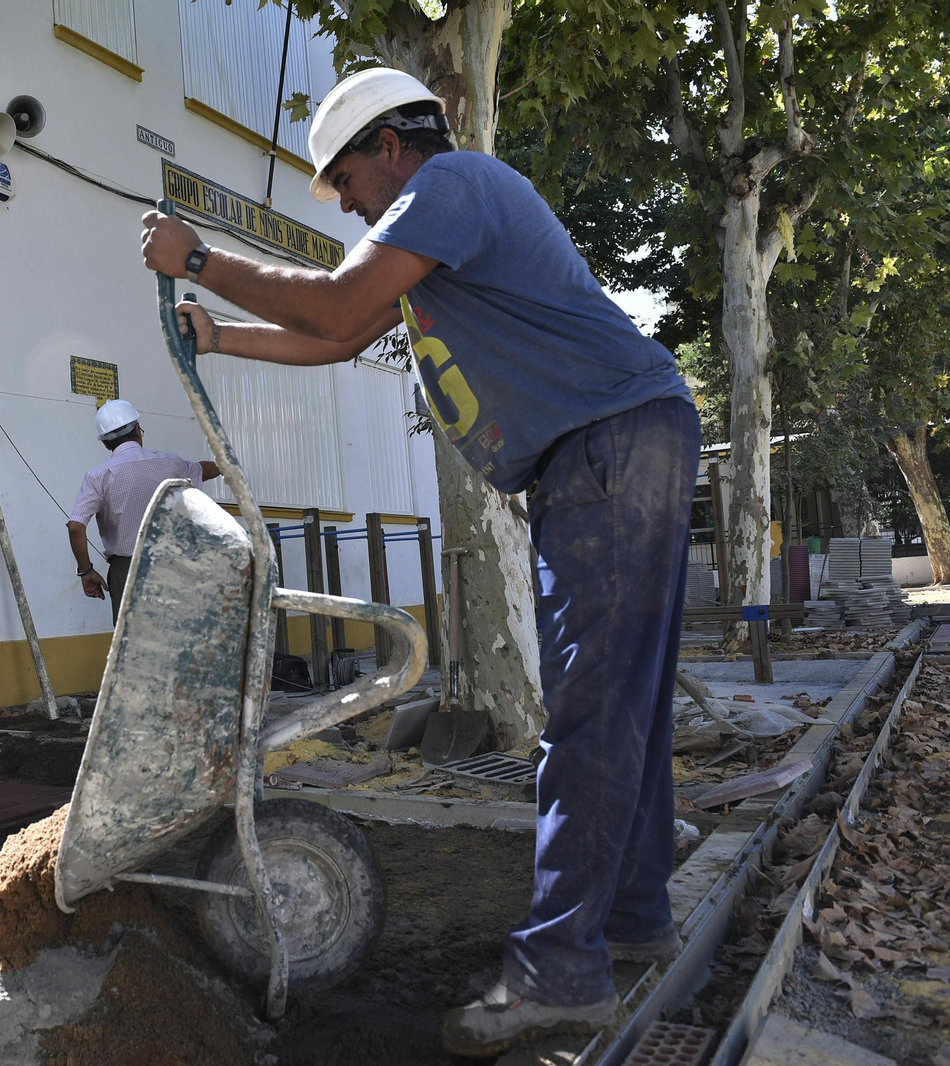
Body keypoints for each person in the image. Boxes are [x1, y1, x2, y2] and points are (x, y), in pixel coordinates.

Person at [139, 67, 700, 1056]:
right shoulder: (441, 237)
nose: (348, 201)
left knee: (588, 714)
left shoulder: (448, 186)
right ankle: (632, 916)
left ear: (390, 145)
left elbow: (336, 297)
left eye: (344, 179)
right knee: (621, 705)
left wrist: (202, 261)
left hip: (605, 445)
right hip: (612, 443)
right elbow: (343, 329)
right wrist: (220, 335)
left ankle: (561, 973)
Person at [67, 399, 220, 621]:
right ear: (138, 430)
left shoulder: (98, 476)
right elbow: (203, 470)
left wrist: (86, 570)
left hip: (126, 572)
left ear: (106, 443)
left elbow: (75, 527)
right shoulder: (171, 464)